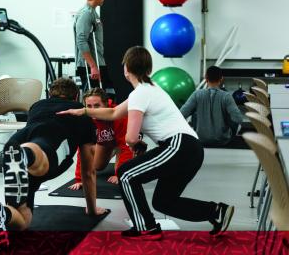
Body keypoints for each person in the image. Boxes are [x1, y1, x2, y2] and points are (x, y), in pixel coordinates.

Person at [58, 46, 235, 240]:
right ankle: (215, 211)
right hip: (189, 149)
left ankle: (146, 227)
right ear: (149, 70)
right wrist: (82, 111)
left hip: (179, 146)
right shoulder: (149, 89)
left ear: (126, 69)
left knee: (125, 174)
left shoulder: (140, 94)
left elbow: (131, 138)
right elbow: (114, 112)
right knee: (163, 202)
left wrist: (135, 145)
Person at [0, 78, 107, 249]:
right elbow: (88, 171)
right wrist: (92, 210)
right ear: (76, 96)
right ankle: (25, 155)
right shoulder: (81, 113)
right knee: (42, 148)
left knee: (23, 221)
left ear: (49, 94)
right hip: (39, 150)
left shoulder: (37, 105)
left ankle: (3, 214)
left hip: (16, 143)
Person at [68, 88, 133, 190]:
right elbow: (83, 150)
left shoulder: (120, 116)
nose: (93, 110)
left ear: (106, 104)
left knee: (125, 152)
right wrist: (80, 179)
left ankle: (124, 154)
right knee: (97, 166)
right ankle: (113, 150)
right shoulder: (85, 119)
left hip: (125, 142)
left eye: (97, 106)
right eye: (89, 106)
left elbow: (126, 145)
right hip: (106, 141)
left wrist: (119, 174)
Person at [180, 66, 243, 147]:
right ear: (221, 79)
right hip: (222, 140)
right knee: (237, 124)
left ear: (206, 78)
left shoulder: (196, 94)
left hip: (200, 139)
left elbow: (181, 114)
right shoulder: (226, 96)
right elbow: (238, 119)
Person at [74, 0, 114, 93]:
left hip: (98, 63)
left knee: (105, 96)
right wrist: (92, 66)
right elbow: (81, 40)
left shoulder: (92, 12)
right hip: (90, 66)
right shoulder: (86, 13)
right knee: (94, 100)